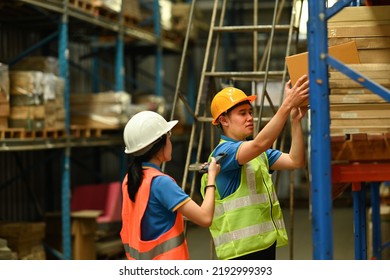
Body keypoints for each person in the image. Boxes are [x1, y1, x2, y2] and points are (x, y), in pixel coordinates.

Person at [201, 75, 309, 260]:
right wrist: (287, 105)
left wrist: (295, 121)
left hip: (265, 245)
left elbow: (295, 161)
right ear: (224, 120)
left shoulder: (256, 154)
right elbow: (259, 144)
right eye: (242, 113)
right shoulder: (223, 153)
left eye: (250, 112)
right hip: (240, 254)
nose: (250, 118)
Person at [120, 110, 220, 260]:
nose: (170, 141)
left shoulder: (129, 179)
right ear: (159, 143)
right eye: (169, 136)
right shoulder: (161, 183)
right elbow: (205, 218)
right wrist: (211, 177)